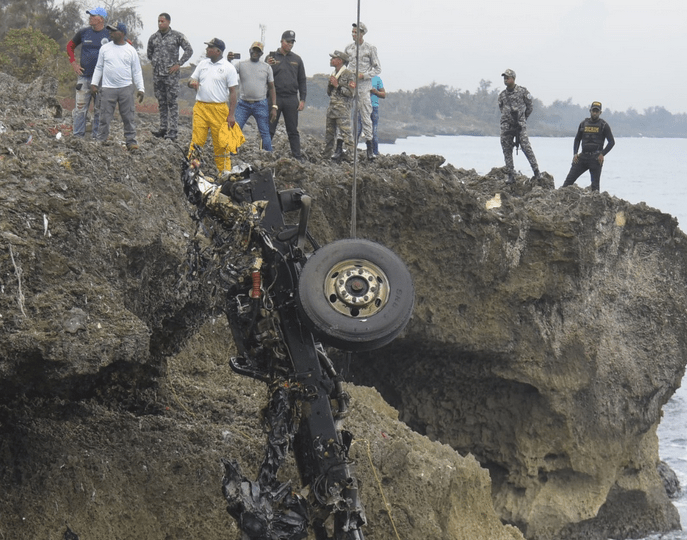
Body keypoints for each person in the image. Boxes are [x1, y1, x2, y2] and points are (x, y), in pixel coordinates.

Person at [187, 38, 244, 177]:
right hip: (201, 107)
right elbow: (191, 80)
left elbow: (233, 93)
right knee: (197, 141)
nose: (207, 50)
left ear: (218, 51)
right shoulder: (202, 64)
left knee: (220, 144)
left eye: (210, 47)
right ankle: (192, 170)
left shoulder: (228, 68)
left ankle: (224, 174)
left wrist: (231, 114)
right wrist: (192, 83)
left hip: (219, 110)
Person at [90, 22, 145, 151]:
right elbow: (99, 67)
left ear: (121, 33)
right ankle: (101, 139)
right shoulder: (105, 49)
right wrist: (94, 83)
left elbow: (137, 71)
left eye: (114, 31)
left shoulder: (131, 51)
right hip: (108, 88)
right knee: (104, 116)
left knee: (128, 116)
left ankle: (131, 142)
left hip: (126, 88)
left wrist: (141, 88)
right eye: (110, 31)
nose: (111, 33)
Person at [146, 13, 193, 141]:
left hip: (171, 76)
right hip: (158, 75)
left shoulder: (177, 36)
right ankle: (163, 128)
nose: (160, 23)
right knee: (161, 102)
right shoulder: (153, 38)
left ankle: (173, 130)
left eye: (162, 21)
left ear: (168, 22)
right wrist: (156, 64)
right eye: (158, 21)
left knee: (172, 102)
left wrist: (179, 63)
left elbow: (189, 50)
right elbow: (149, 53)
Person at [66, 6, 109, 138]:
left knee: (99, 110)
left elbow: (126, 45)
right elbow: (70, 46)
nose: (90, 17)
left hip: (102, 79)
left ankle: (97, 138)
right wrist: (74, 63)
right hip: (84, 77)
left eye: (93, 15)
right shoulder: (84, 32)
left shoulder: (109, 33)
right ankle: (77, 137)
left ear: (101, 19)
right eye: (89, 15)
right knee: (80, 109)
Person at [228, 42, 277, 151]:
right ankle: (231, 153)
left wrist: (274, 106)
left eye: (258, 51)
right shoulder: (241, 64)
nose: (255, 53)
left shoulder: (267, 67)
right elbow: (228, 72)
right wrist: (228, 61)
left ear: (261, 53)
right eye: (253, 50)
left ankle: (268, 154)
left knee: (265, 131)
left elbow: (272, 87)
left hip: (261, 104)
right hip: (243, 104)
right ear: (250, 50)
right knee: (236, 128)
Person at [266, 30, 307, 162]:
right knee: (269, 128)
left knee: (293, 129)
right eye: (288, 41)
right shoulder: (271, 58)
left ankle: (297, 156)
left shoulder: (297, 59)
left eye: (292, 42)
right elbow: (264, 76)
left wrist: (302, 99)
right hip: (275, 97)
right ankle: (264, 153)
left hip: (291, 98)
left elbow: (302, 80)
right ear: (282, 41)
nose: (290, 44)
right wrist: (268, 64)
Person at [344, 22, 382, 160]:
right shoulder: (348, 48)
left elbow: (378, 68)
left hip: (364, 86)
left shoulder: (370, 49)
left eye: (356, 32)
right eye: (353, 32)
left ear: (362, 33)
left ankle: (370, 149)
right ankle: (345, 146)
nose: (354, 34)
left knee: (366, 116)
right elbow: (344, 66)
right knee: (346, 114)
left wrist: (364, 75)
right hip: (351, 85)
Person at [498, 69, 541, 184]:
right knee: (506, 149)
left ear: (513, 78)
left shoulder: (522, 92)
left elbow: (530, 106)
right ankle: (510, 175)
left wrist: (523, 118)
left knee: (526, 147)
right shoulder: (502, 95)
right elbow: (501, 109)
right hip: (506, 125)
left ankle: (537, 172)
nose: (505, 80)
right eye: (504, 78)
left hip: (520, 125)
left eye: (507, 77)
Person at [561, 101, 615, 192]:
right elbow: (577, 139)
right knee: (567, 183)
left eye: (597, 111)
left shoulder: (604, 125)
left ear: (600, 113)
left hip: (596, 159)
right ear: (590, 111)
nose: (594, 113)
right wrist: (575, 154)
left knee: (595, 188)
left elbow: (611, 142)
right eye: (593, 111)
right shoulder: (583, 124)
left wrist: (602, 154)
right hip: (582, 157)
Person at [323, 50, 356, 162]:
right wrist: (331, 84)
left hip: (342, 110)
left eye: (333, 58)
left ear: (340, 61)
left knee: (346, 135)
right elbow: (329, 93)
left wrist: (337, 85)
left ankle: (352, 158)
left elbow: (351, 93)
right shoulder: (333, 74)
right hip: (332, 108)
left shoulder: (348, 74)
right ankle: (326, 157)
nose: (331, 60)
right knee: (329, 135)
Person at [357, 75, 385, 155]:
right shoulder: (360, 78)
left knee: (374, 132)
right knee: (357, 130)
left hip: (374, 107)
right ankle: (352, 152)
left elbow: (383, 94)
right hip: (362, 106)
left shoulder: (377, 79)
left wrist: (375, 92)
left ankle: (374, 153)